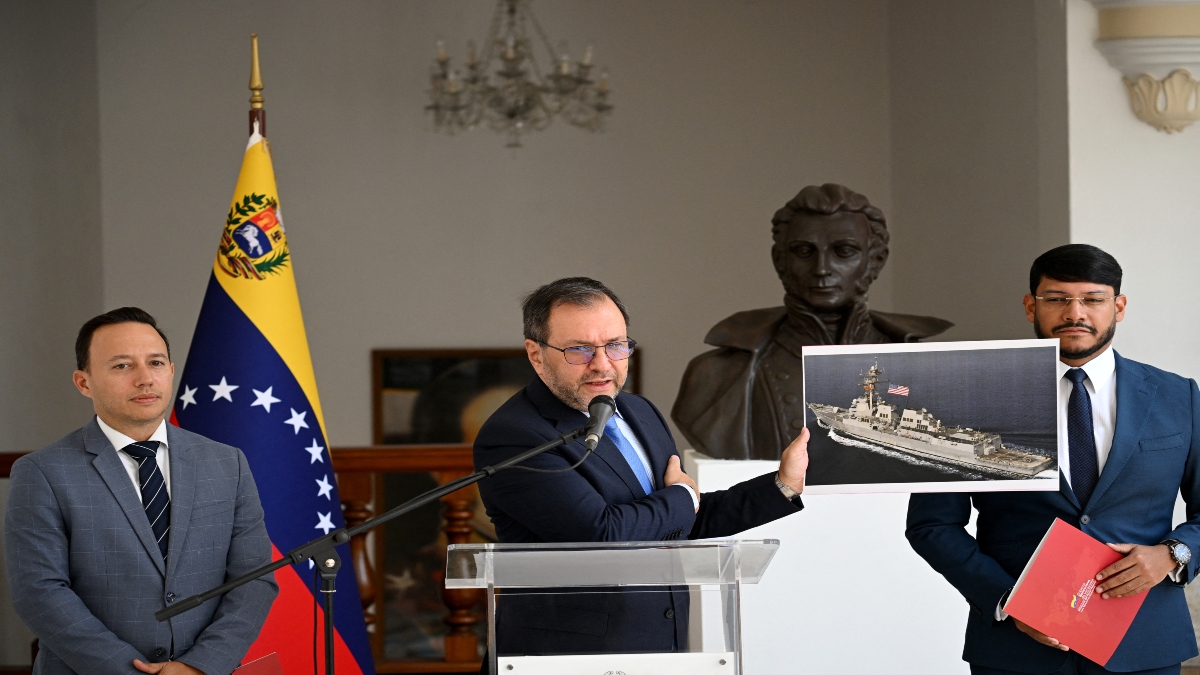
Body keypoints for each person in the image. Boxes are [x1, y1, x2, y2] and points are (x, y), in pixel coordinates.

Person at [474, 277, 809, 658]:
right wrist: (682, 495)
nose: (602, 365)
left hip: (661, 643)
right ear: (536, 354)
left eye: (616, 345)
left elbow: (677, 521)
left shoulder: (639, 412)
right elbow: (603, 535)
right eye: (580, 349)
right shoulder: (514, 435)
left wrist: (783, 484)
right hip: (568, 655)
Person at [906, 244, 1200, 674]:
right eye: (1057, 299)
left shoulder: (1180, 397)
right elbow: (931, 525)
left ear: (1118, 306)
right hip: (1016, 645)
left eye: (1093, 299)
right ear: (1031, 306)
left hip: (1143, 640)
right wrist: (1009, 600)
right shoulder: (972, 400)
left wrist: (1174, 554)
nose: (1074, 313)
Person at [5, 308, 278, 675]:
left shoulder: (227, 463)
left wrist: (199, 666)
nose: (145, 379)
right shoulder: (41, 473)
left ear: (171, 371)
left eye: (155, 362)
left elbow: (255, 577)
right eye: (122, 366)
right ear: (83, 382)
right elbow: (39, 593)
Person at [673, 183, 952, 460]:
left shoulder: (927, 368)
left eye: (843, 251)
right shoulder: (716, 374)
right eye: (804, 252)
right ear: (780, 261)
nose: (822, 269)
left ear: (875, 261)